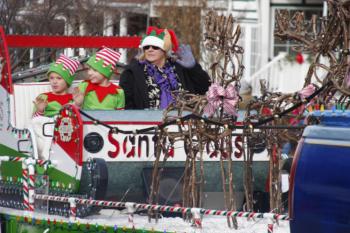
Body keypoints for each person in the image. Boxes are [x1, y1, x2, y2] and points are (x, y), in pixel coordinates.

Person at [120, 26, 211, 109]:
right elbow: (127, 106)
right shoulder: (132, 73)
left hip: (181, 123)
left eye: (155, 47)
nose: (150, 49)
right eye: (146, 47)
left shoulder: (180, 69)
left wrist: (193, 68)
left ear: (164, 50)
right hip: (148, 125)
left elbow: (205, 88)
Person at [32, 54, 80, 159]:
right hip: (47, 129)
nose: (54, 81)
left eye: (59, 78)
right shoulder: (44, 97)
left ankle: (48, 155)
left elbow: (77, 117)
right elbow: (35, 120)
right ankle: (46, 154)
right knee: (37, 121)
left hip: (65, 130)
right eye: (51, 78)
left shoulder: (72, 98)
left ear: (67, 81)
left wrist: (77, 104)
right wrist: (40, 110)